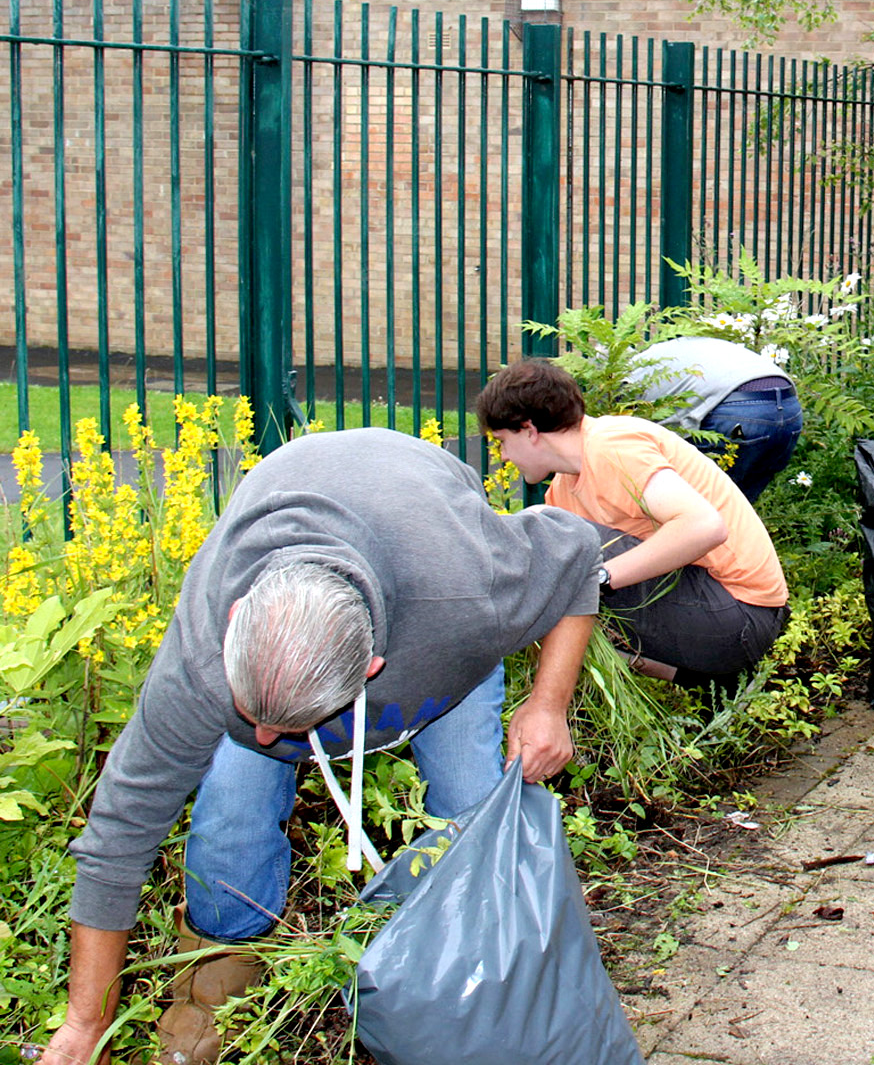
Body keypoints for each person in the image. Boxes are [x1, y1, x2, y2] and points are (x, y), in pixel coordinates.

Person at [45, 430, 608, 1065]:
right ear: (235, 624)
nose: (262, 736)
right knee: (231, 817)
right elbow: (116, 839)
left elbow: (578, 553)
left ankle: (479, 989)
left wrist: (548, 704)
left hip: (427, 577)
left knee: (471, 818)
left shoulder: (470, 596)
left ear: (371, 669)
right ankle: (213, 991)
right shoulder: (201, 657)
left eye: (283, 724)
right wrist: (83, 1023)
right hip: (333, 557)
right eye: (252, 713)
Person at [476, 358, 790, 696]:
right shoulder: (565, 489)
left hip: (741, 614)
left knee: (544, 529)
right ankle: (710, 686)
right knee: (555, 558)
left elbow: (705, 526)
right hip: (718, 621)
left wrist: (598, 579)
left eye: (502, 441)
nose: (503, 456)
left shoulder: (611, 445)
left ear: (529, 429)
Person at [629, 335, 802, 502]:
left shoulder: (631, 376)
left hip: (737, 412)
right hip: (789, 410)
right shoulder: (666, 355)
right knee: (739, 512)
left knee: (696, 509)